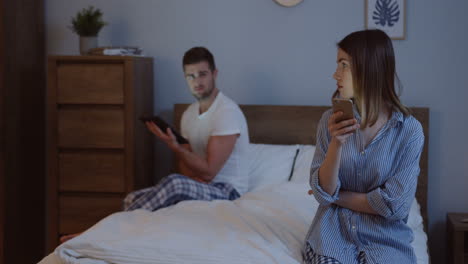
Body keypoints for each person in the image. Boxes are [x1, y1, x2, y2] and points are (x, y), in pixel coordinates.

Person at [61, 46, 249, 243]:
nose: (197, 82)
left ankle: (96, 234)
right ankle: (118, 242)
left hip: (228, 192)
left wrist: (174, 147)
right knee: (132, 199)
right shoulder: (189, 115)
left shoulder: (227, 112)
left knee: (174, 184)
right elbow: (186, 168)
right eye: (190, 76)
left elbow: (210, 172)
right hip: (200, 186)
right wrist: (181, 157)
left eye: (202, 74)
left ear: (214, 74)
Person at [304, 29, 424, 264]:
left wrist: (336, 197)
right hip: (332, 239)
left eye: (344, 65)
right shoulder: (329, 121)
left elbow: (394, 205)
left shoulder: (409, 131)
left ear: (370, 68)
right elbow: (323, 191)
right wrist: (336, 144)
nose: (335, 74)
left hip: (386, 243)